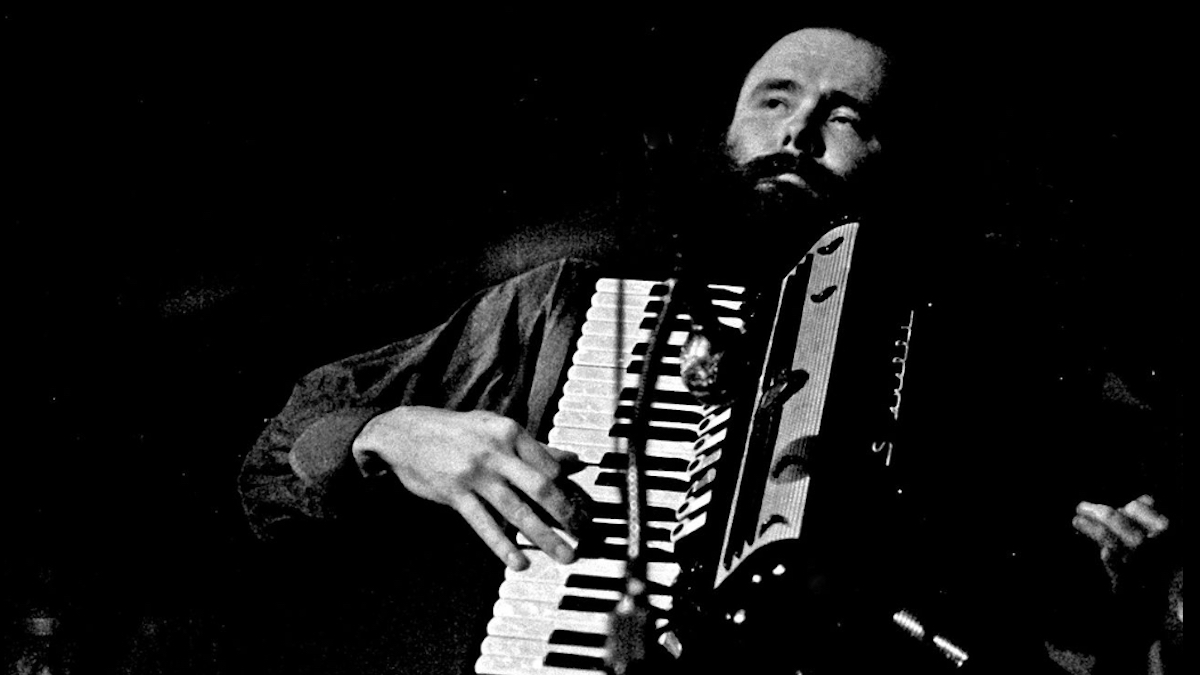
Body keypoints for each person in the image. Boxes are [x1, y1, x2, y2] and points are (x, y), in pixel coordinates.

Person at [238, 25, 1180, 674]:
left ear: (896, 164)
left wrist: (1126, 567)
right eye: (774, 100)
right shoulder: (568, 306)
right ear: (727, 133)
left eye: (846, 118)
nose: (798, 133)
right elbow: (276, 462)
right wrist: (391, 432)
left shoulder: (1001, 357)